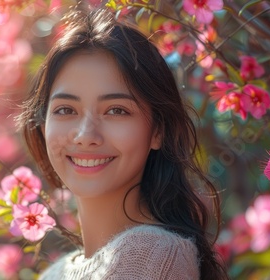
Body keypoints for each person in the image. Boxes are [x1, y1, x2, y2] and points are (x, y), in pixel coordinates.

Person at [17, 7, 229, 280]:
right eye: (66, 110)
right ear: (44, 125)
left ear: (158, 131)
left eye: (116, 110)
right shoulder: (54, 275)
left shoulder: (154, 256)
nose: (85, 135)